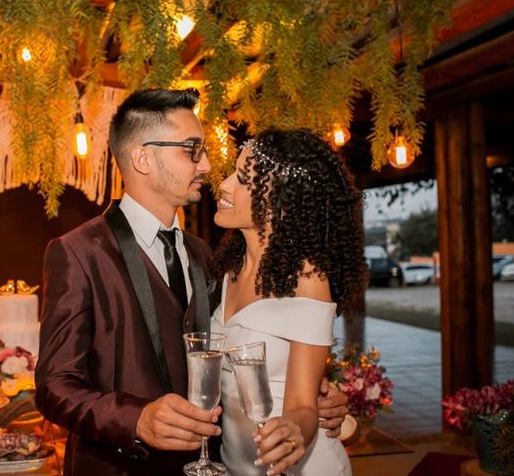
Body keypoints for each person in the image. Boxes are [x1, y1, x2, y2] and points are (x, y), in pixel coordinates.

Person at [35, 89, 350, 475]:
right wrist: (136, 420)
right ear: (143, 158)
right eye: (191, 150)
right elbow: (54, 387)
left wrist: (315, 401)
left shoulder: (207, 256)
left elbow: (261, 353)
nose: (205, 167)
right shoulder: (78, 253)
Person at [212, 128, 368, 475]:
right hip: (233, 464)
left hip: (298, 466)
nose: (223, 185)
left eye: (241, 179)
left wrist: (295, 431)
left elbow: (302, 404)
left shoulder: (309, 280)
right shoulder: (226, 268)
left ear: (278, 201)